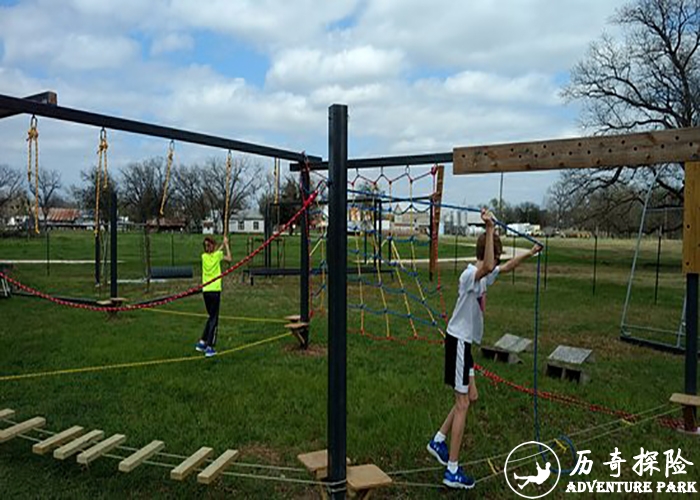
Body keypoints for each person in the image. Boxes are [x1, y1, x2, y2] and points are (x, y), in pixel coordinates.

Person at [426, 208, 542, 490]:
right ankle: (451, 470)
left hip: (465, 345)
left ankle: (439, 441)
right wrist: (490, 228)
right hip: (457, 342)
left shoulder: (485, 275)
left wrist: (532, 252)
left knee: (471, 396)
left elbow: (503, 267)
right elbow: (489, 267)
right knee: (462, 403)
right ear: (490, 251)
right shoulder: (470, 276)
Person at [195, 235, 232, 357]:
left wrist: (221, 245)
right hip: (215, 291)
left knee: (211, 316)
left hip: (206, 291)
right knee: (214, 319)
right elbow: (229, 259)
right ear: (214, 246)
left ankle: (202, 342)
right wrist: (226, 244)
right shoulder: (217, 255)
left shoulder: (204, 257)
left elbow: (215, 253)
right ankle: (209, 347)